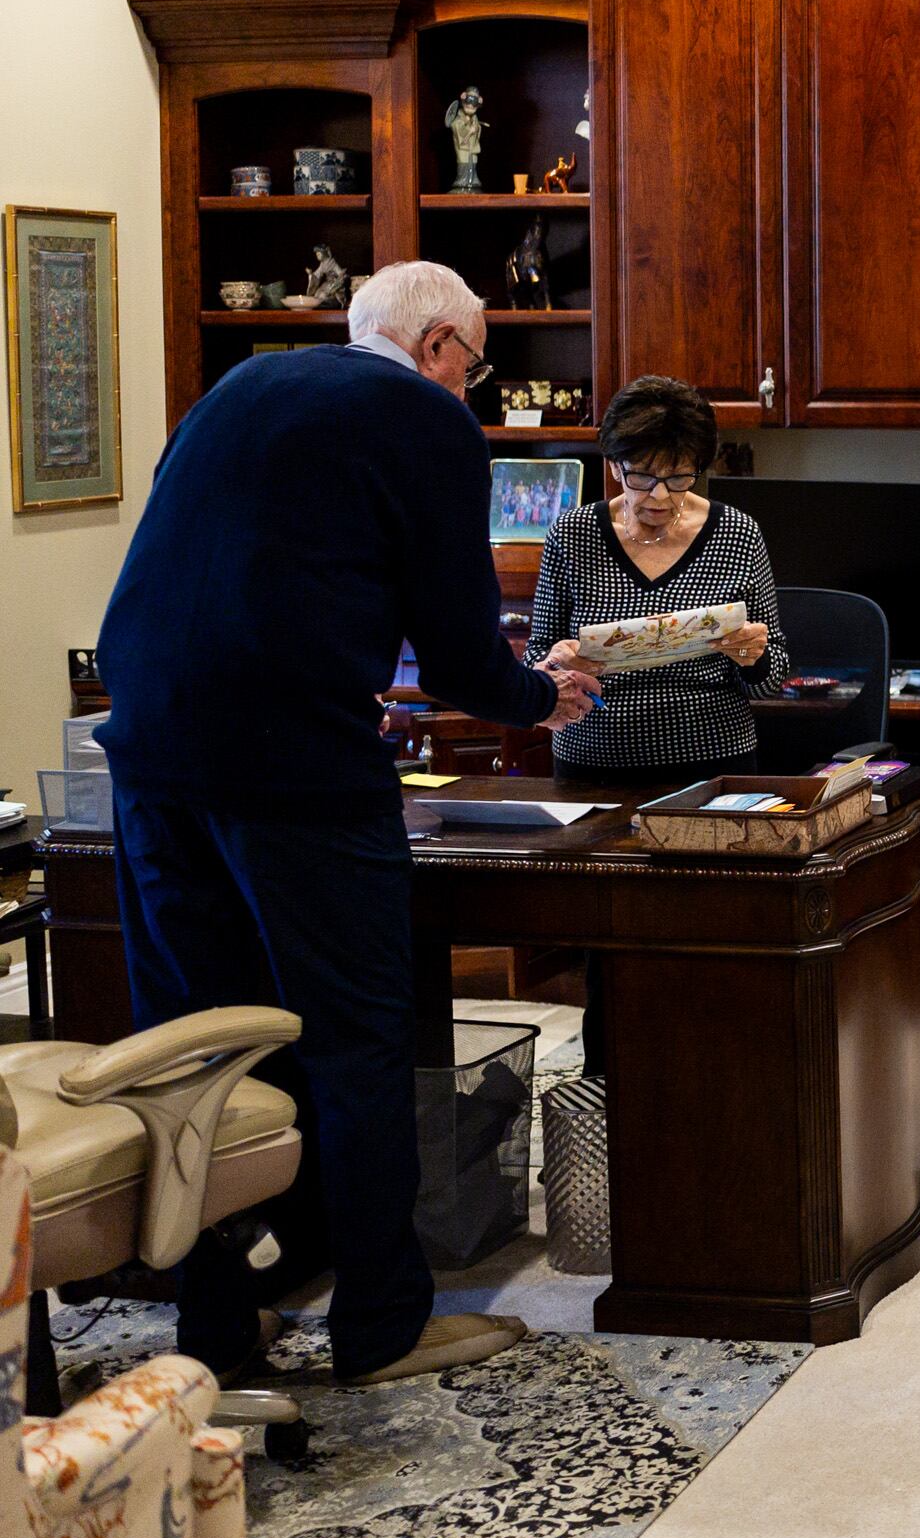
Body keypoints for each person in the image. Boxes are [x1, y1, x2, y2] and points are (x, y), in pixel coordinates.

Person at [96, 260, 599, 1386]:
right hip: (297, 773)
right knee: (355, 1036)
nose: (469, 391)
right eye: (474, 367)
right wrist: (539, 695)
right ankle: (381, 1323)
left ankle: (219, 1327)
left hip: (148, 750)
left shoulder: (239, 386)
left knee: (196, 1044)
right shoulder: (423, 419)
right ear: (436, 349)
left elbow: (230, 571)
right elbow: (468, 653)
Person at [526, 375, 789, 793]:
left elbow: (771, 679)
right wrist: (557, 665)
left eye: (680, 477)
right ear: (614, 463)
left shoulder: (737, 534)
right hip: (592, 768)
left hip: (715, 766)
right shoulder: (573, 535)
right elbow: (535, 661)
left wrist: (753, 656)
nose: (661, 496)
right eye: (643, 477)